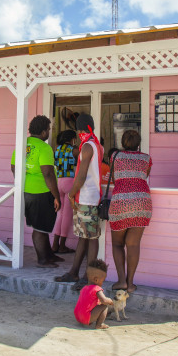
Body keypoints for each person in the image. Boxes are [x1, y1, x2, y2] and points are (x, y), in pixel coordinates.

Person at [54, 113, 103, 289]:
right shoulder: (96, 145)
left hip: (87, 197)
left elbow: (81, 176)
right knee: (84, 236)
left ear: (80, 130)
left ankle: (88, 278)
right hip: (89, 197)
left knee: (91, 238)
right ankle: (74, 272)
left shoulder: (87, 146)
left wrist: (71, 194)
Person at [11, 115, 63, 268]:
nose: (49, 132)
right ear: (43, 132)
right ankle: (42, 259)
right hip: (41, 192)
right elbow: (48, 173)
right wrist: (56, 196)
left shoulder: (22, 144)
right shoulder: (44, 148)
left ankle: (49, 255)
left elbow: (14, 167)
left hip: (25, 192)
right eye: (48, 129)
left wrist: (25, 180)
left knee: (42, 225)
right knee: (40, 228)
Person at [108, 130, 152, 293]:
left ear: (123, 143)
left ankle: (121, 281)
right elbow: (144, 176)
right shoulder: (146, 158)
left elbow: (114, 179)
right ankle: (131, 283)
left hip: (121, 202)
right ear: (138, 144)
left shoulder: (115, 156)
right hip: (141, 202)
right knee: (133, 244)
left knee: (117, 244)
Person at [51, 130, 78, 254]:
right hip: (69, 181)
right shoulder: (74, 150)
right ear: (72, 139)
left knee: (60, 214)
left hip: (59, 181)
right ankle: (62, 245)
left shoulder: (57, 149)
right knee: (67, 214)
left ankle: (54, 245)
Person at [73, 258, 114, 330]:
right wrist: (110, 301)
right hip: (86, 317)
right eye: (103, 280)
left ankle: (89, 320)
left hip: (78, 316)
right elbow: (104, 300)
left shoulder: (84, 288)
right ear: (96, 280)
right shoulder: (97, 288)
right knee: (104, 306)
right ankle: (99, 325)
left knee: (98, 305)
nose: (102, 283)